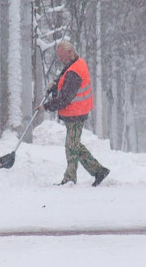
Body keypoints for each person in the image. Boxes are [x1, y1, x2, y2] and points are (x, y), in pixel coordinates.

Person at [38, 41, 110, 186]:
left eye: (61, 56)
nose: (59, 59)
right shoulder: (75, 63)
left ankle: (70, 178)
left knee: (71, 146)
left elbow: (64, 98)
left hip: (76, 113)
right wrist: (55, 85)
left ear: (70, 52)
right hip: (77, 111)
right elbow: (64, 82)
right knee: (74, 145)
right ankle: (98, 170)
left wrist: (45, 107)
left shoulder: (74, 72)